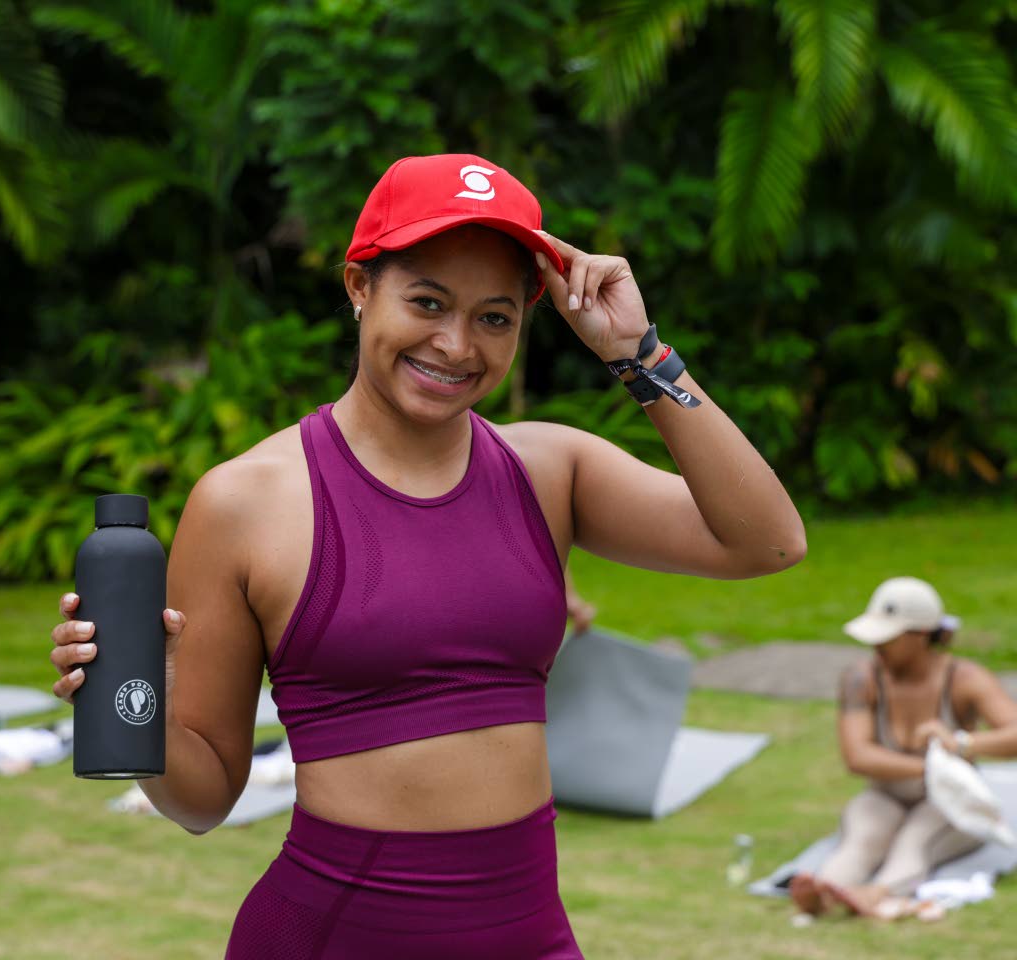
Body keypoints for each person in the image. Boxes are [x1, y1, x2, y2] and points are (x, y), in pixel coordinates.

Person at [49, 153, 806, 957]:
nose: (455, 344)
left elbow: (767, 540)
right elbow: (203, 799)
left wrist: (640, 353)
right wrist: (135, 708)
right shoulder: (247, 503)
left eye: (495, 317)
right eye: (428, 302)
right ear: (358, 285)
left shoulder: (548, 472)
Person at [790, 576, 1017, 920]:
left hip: (948, 798)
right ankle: (824, 890)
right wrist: (932, 765)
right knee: (862, 838)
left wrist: (960, 744)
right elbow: (858, 756)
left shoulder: (965, 678)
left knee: (914, 843)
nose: (877, 647)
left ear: (921, 635)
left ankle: (874, 894)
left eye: (889, 638)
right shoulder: (861, 678)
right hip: (886, 793)